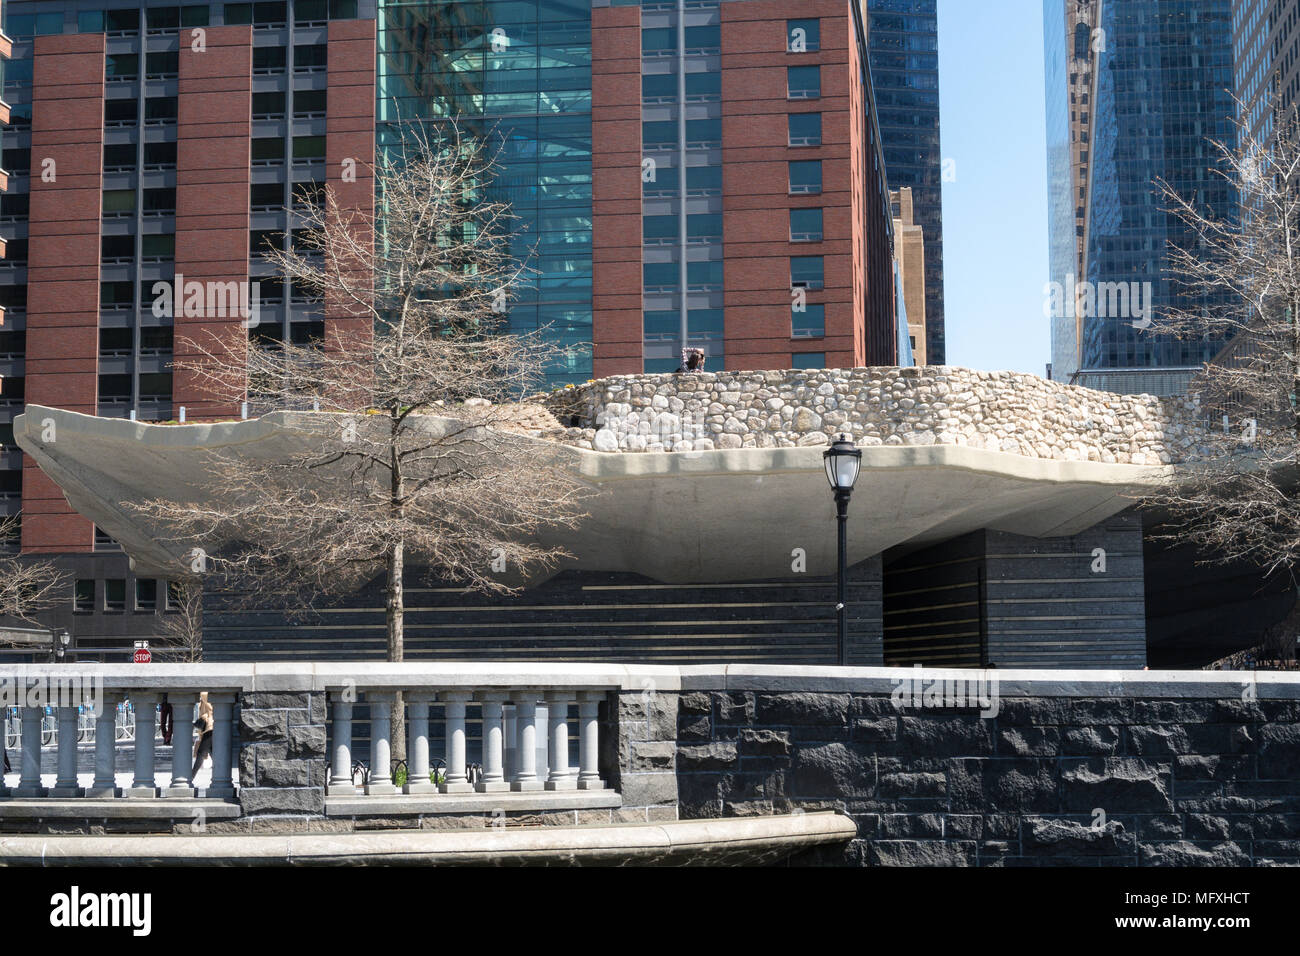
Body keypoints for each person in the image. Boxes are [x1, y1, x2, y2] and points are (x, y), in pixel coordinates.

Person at [192, 692, 214, 780]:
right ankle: (221, 775)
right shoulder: (204, 698)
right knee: (213, 752)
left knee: (201, 752)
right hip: (208, 727)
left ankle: (191, 776)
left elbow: (210, 709)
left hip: (210, 727)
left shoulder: (205, 694)